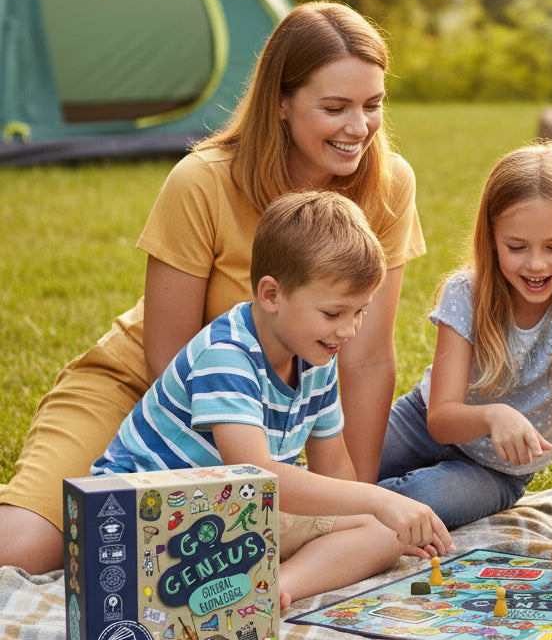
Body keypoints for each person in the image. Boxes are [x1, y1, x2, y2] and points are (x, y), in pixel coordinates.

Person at [0, 1, 425, 574]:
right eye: (335, 107)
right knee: (28, 551)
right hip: (149, 391)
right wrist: (207, 496)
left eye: (373, 105)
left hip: (256, 416)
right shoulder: (202, 180)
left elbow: (368, 358)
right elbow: (168, 357)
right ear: (280, 102)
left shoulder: (390, 184)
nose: (359, 128)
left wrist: (369, 504)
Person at [93, 190, 450, 608]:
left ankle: (275, 587)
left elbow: (333, 465)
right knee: (376, 513)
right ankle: (252, 584)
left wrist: (370, 516)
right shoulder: (226, 355)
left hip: (225, 520)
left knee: (384, 533)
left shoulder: (316, 355)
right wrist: (379, 500)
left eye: (360, 312)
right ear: (271, 295)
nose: (349, 330)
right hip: (139, 523)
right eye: (334, 313)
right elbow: (255, 475)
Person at [377, 141, 552, 530]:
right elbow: (440, 419)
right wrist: (494, 415)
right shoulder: (466, 293)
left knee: (418, 503)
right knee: (341, 471)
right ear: (492, 237)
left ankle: (352, 515)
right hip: (420, 424)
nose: (536, 264)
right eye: (516, 247)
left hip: (499, 468)